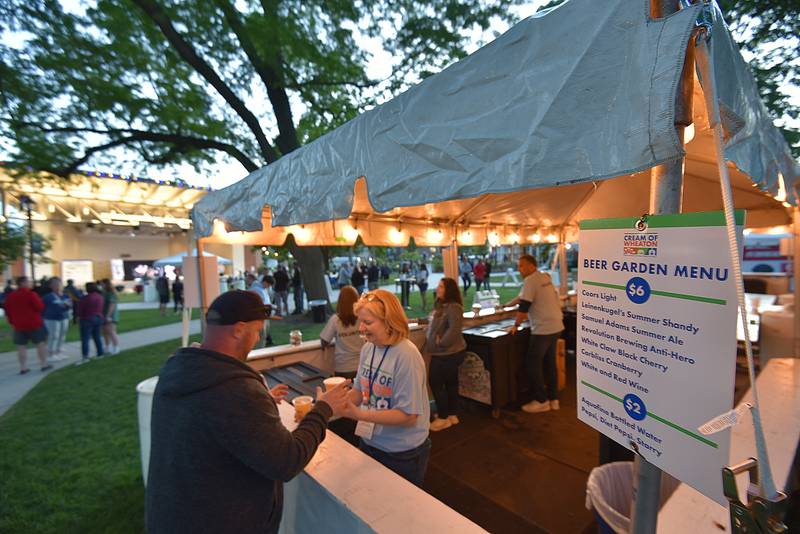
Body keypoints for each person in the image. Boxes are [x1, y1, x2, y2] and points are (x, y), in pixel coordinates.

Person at [145, 290, 350, 534]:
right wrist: (324, 409)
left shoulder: (180, 370)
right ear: (239, 330)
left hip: (173, 516)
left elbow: (216, 423)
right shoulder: (234, 390)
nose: (257, 338)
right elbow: (287, 460)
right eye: (257, 330)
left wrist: (262, 400)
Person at [340, 289, 431, 486]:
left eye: (367, 322)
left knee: (400, 503)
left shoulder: (406, 355)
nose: (361, 328)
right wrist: (329, 405)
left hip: (401, 452)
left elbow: (408, 416)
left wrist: (361, 414)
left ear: (389, 322)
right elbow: (359, 392)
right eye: (360, 321)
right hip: (370, 442)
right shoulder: (368, 348)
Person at [505, 255, 564, 413]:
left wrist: (515, 326)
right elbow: (523, 297)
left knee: (532, 364)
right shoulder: (544, 277)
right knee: (550, 363)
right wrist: (507, 305)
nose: (519, 269)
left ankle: (541, 400)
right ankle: (554, 399)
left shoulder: (530, 280)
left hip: (543, 328)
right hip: (556, 325)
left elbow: (524, 306)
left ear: (532, 265)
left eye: (522, 266)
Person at [426, 277, 467, 431]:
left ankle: (443, 417)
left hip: (447, 353)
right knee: (451, 383)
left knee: (436, 382)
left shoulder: (454, 307)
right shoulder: (441, 306)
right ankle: (452, 414)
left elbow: (454, 330)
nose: (438, 289)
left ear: (449, 290)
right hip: (445, 353)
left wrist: (440, 343)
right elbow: (434, 322)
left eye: (441, 287)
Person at [4, 276, 50, 374]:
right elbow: (39, 307)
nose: (31, 283)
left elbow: (7, 310)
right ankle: (44, 364)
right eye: (29, 282)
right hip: (34, 324)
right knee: (40, 344)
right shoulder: (31, 294)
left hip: (19, 325)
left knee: (21, 346)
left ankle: (23, 367)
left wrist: (12, 321)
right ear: (23, 283)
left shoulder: (11, 296)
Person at [319, 286, 364, 379]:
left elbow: (324, 341)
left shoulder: (335, 320)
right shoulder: (362, 317)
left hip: (343, 367)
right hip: (363, 365)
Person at [42, 277, 71, 362]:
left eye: (59, 285)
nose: (58, 287)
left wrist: (67, 305)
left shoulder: (65, 296)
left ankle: (58, 352)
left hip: (64, 318)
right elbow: (42, 308)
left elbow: (69, 306)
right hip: (51, 319)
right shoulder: (48, 297)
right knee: (53, 336)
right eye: (55, 285)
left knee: (62, 335)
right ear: (51, 286)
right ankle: (51, 354)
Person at [76, 282, 105, 364]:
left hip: (87, 318)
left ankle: (85, 356)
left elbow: (80, 310)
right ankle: (100, 353)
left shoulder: (85, 298)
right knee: (97, 337)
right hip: (98, 317)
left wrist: (79, 318)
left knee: (85, 338)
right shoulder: (100, 296)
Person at [246, 273, 271, 348]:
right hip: (259, 315)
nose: (268, 287)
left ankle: (261, 348)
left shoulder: (261, 289)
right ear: (265, 282)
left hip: (263, 314)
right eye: (268, 285)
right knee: (261, 335)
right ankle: (259, 350)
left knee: (263, 335)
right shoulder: (256, 289)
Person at [101, 279, 121, 355]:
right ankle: (107, 347)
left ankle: (116, 347)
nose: (101, 285)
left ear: (106, 284)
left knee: (112, 331)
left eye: (102, 284)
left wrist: (108, 316)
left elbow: (111, 305)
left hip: (111, 316)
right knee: (105, 332)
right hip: (104, 315)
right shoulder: (104, 293)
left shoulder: (111, 293)